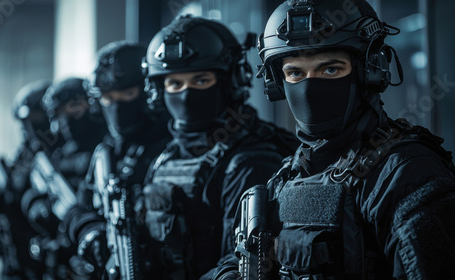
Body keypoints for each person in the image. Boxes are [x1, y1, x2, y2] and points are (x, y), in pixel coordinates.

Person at [214, 0, 455, 279]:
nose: (309, 86)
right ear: (276, 83)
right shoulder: (290, 173)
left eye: (330, 69)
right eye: (295, 73)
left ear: (369, 71)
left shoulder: (407, 173)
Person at [141, 14, 300, 280]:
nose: (187, 94)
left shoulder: (253, 158)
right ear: (159, 90)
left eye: (201, 81)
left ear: (231, 81)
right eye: (174, 83)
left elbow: (243, 267)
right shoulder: (165, 156)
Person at [61, 41, 172, 279]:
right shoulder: (105, 153)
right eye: (108, 97)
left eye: (128, 94)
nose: (117, 106)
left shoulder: (172, 148)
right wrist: (89, 230)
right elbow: (79, 206)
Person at [21, 77, 108, 279]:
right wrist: (36, 204)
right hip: (62, 257)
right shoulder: (58, 153)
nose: (65, 120)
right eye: (57, 115)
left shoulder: (106, 150)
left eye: (72, 110)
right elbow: (37, 188)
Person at [0, 80, 59, 280]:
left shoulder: (58, 155)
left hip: (43, 258)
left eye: (35, 119)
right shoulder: (23, 153)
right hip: (14, 256)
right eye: (25, 121)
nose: (28, 127)